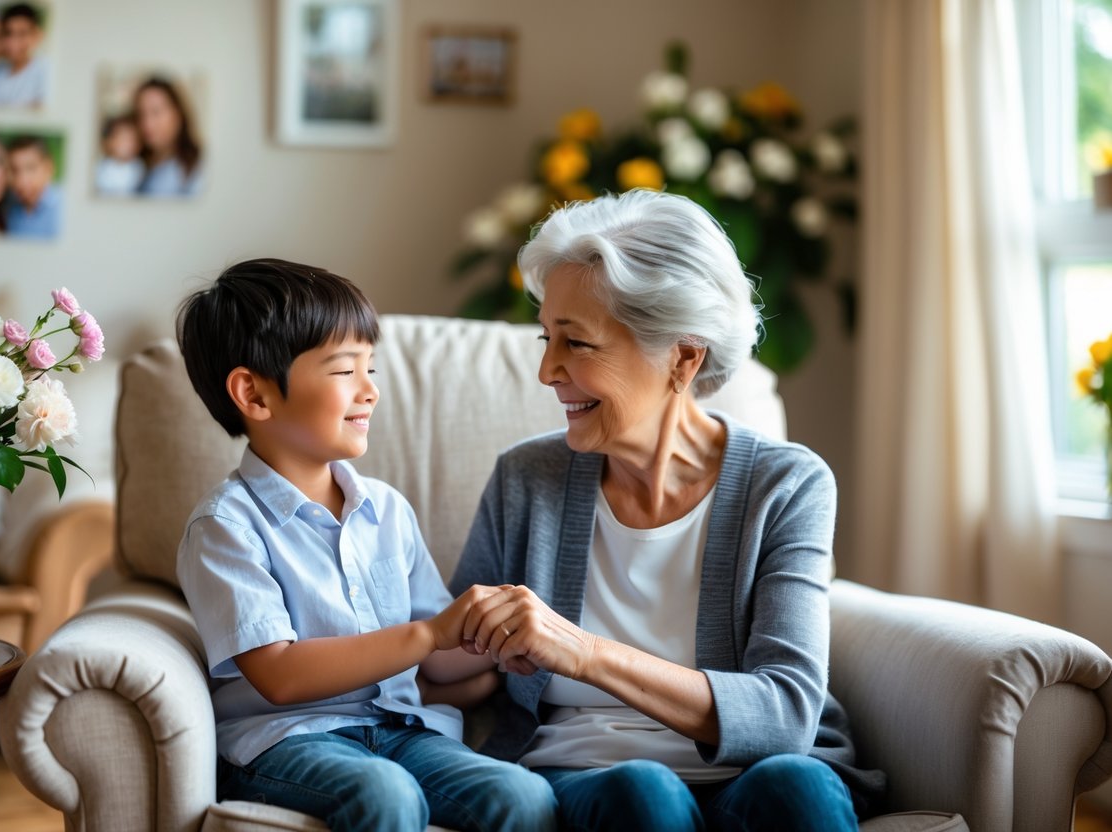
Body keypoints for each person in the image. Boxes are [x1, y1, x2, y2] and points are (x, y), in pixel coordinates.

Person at [449, 189, 885, 831]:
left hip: (752, 778)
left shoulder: (785, 484)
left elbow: (785, 714)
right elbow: (446, 657)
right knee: (644, 796)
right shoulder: (526, 478)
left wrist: (582, 652)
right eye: (547, 338)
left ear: (682, 356)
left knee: (798, 790)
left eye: (577, 344)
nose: (547, 370)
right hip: (588, 781)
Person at [174, 259, 557, 832]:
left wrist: (489, 641)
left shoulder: (387, 510)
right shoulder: (225, 527)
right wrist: (430, 633)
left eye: (370, 367)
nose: (370, 390)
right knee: (386, 795)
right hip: (287, 742)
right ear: (253, 394)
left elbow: (436, 653)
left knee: (522, 797)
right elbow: (280, 675)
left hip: (405, 729)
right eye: (344, 370)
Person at [134, 76, 203, 197]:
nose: (147, 123)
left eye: (156, 112)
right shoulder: (136, 166)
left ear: (178, 114)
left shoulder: (198, 168)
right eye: (141, 114)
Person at [0, 3, 48, 107]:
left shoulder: (47, 71)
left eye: (22, 34)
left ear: (36, 35)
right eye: (8, 33)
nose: (13, 42)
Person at [3, 135, 61, 239]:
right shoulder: (9, 208)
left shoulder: (63, 209)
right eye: (14, 170)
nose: (21, 180)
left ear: (48, 168)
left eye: (31, 168)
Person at [94, 113, 145, 196]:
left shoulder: (138, 168)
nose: (127, 145)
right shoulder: (102, 167)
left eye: (132, 139)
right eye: (122, 139)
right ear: (109, 142)